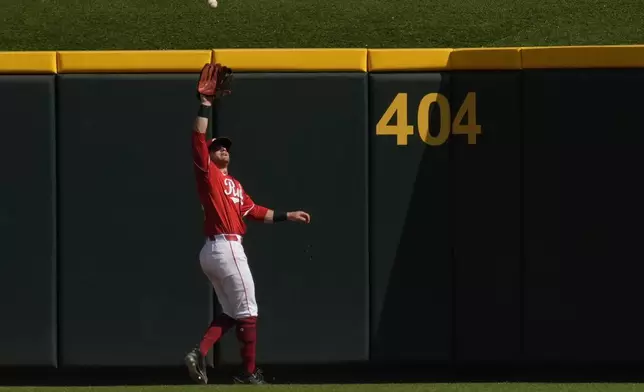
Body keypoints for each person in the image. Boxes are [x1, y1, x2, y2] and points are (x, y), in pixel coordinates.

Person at [184, 63, 311, 385]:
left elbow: (255, 211)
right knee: (249, 310)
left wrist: (286, 215)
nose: (222, 149)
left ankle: (199, 353)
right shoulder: (208, 175)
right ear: (210, 157)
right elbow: (198, 138)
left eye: (225, 147)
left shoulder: (235, 185)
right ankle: (250, 373)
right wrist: (205, 104)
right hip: (225, 247)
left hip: (215, 251)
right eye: (217, 148)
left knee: (232, 311)